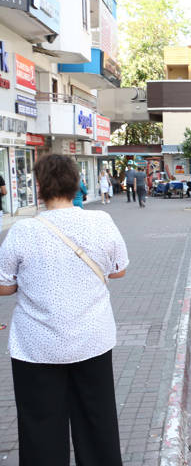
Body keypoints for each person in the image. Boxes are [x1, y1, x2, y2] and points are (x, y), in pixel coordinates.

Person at [0, 154, 128, 465]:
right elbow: (119, 269)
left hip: (36, 347)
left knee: (41, 426)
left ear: (39, 187)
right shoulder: (101, 221)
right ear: (78, 184)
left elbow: (3, 284)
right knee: (98, 421)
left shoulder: (22, 231)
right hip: (91, 340)